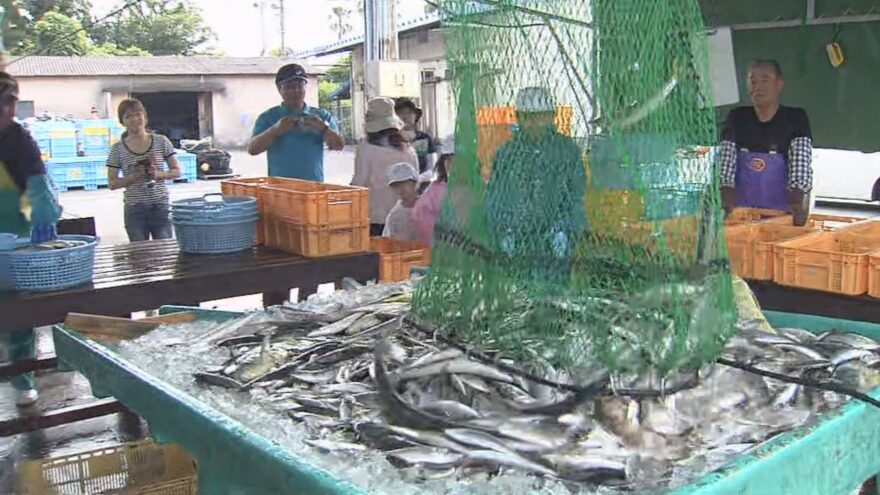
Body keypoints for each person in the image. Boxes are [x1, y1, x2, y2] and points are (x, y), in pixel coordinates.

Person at [0, 72, 62, 407]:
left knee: (18, 312)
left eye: (10, 100)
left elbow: (42, 199)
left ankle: (22, 376)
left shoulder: (20, 141)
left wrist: (45, 217)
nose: (6, 108)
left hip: (13, 237)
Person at [485, 86, 586, 282]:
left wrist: (565, 231)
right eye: (528, 117)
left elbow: (576, 196)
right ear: (518, 118)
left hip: (554, 241)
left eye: (541, 116)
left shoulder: (567, 151)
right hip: (518, 241)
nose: (535, 123)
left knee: (554, 295)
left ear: (552, 116)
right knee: (518, 298)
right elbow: (495, 197)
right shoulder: (507, 153)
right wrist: (503, 231)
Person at [719, 60, 812, 226]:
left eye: (765, 80)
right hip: (741, 216)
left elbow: (801, 164)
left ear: (779, 85)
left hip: (781, 216)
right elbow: (725, 162)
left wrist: (798, 199)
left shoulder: (795, 119)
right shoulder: (737, 118)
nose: (758, 87)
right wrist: (725, 192)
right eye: (752, 81)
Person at [248, 63, 345, 181]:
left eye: (300, 86)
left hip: (314, 188)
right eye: (290, 86)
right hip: (281, 189)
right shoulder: (268, 117)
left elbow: (339, 146)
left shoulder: (321, 116)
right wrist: (275, 131)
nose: (296, 91)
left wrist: (323, 128)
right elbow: (253, 150)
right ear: (279, 89)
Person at [106, 99, 181, 242]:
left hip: (160, 207)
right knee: (138, 255)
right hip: (135, 209)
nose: (135, 119)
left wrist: (157, 174)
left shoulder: (161, 141)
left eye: (138, 114)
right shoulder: (117, 149)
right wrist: (135, 176)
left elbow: (177, 171)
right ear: (122, 122)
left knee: (164, 251)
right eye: (128, 116)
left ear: (145, 117)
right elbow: (112, 183)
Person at [352, 97, 419, 236]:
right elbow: (415, 181)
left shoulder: (366, 148)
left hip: (375, 217)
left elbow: (359, 183)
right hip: (403, 215)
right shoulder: (407, 147)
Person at [414, 134, 454, 246]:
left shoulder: (479, 190)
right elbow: (420, 217)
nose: (451, 164)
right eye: (448, 159)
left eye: (458, 160)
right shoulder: (434, 192)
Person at [394, 98, 436, 191]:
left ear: (415, 115)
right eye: (400, 113)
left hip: (423, 189)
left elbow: (432, 168)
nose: (405, 116)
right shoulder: (393, 140)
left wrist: (419, 179)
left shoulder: (425, 138)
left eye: (409, 112)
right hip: (398, 190)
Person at [382, 163, 421, 242]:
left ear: (415, 183)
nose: (401, 188)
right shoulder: (394, 215)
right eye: (396, 185)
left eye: (405, 183)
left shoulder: (429, 207)